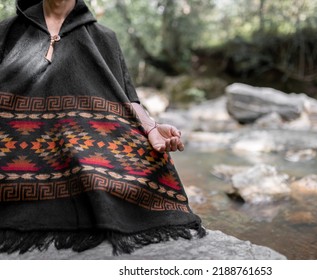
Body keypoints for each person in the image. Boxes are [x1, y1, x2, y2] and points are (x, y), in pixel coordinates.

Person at [0, 0, 205, 255]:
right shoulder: (7, 31)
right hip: (16, 144)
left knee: (120, 162)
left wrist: (151, 128)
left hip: (84, 140)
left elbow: (127, 98)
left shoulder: (105, 38)